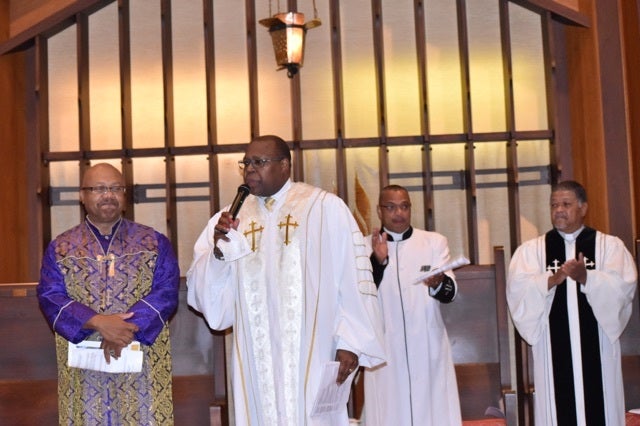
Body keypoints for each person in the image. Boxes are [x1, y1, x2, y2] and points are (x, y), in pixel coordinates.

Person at [186, 134, 385, 425]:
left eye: (260, 162)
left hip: (314, 351)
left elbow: (354, 277)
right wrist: (218, 251)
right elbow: (211, 305)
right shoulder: (230, 218)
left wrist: (351, 342)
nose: (250, 169)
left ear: (285, 166)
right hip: (257, 359)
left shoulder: (324, 208)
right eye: (246, 163)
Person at [37, 163, 180, 425]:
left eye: (116, 188)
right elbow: (50, 295)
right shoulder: (62, 247)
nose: (108, 195)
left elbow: (167, 291)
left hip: (139, 356)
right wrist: (98, 322)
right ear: (82, 195)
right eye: (99, 188)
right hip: (85, 361)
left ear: (125, 195)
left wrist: (123, 329)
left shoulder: (154, 242)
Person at [507, 180, 637, 426]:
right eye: (554, 204)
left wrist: (586, 277)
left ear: (583, 208)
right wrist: (550, 279)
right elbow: (517, 291)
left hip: (597, 351)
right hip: (552, 352)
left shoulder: (609, 247)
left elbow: (623, 288)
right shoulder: (532, 252)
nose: (558, 210)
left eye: (566, 204)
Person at [363, 184, 462, 426]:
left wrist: (438, 282)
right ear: (379, 211)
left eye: (405, 206)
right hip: (386, 350)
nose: (399, 213)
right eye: (391, 207)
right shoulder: (363, 245)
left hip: (427, 346)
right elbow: (360, 294)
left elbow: (451, 293)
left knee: (433, 412)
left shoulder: (433, 242)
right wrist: (377, 261)